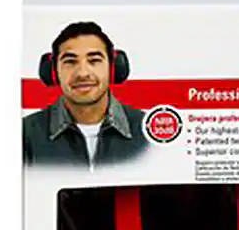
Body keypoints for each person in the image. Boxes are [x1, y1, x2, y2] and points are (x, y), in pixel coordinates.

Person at [23, 22, 148, 167]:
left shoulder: (148, 132)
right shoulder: (24, 134)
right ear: (53, 72)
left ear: (113, 68)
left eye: (94, 60)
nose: (82, 73)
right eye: (70, 61)